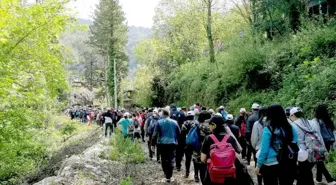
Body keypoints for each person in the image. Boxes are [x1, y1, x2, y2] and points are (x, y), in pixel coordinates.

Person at [255, 104, 298, 185]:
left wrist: (258, 165)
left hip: (271, 163)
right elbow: (295, 144)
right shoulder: (290, 127)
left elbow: (264, 150)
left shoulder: (268, 129)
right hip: (287, 161)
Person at [201, 115, 240, 185]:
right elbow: (237, 156)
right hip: (229, 176)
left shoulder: (208, 138)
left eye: (210, 125)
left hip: (213, 176)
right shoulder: (230, 138)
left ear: (214, 125)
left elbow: (203, 159)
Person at [290, 107, 325, 185]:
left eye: (290, 116)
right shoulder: (312, 122)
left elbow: (292, 142)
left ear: (293, 115)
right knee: (306, 173)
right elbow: (319, 136)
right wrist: (323, 150)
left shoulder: (292, 126)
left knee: (303, 174)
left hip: (302, 154)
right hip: (314, 151)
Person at [151, 109, 181, 183]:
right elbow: (179, 133)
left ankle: (166, 174)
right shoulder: (175, 122)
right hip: (172, 143)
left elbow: (154, 134)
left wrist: (152, 144)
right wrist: (176, 140)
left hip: (162, 143)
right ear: (169, 114)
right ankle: (169, 175)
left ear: (162, 114)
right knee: (171, 158)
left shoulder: (159, 122)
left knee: (163, 159)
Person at [313, 104, 336, 185]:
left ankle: (328, 180)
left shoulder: (318, 121)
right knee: (320, 160)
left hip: (322, 142)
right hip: (329, 142)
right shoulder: (328, 120)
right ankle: (320, 179)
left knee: (319, 161)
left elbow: (317, 133)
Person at [192, 111, 211, 184]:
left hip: (197, 147)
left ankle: (197, 175)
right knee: (206, 165)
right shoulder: (210, 126)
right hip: (208, 149)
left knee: (197, 162)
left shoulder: (196, 125)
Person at [251, 107, 268, 185]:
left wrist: (255, 148)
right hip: (270, 150)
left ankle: (260, 182)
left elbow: (254, 138)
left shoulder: (257, 123)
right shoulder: (271, 123)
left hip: (259, 149)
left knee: (258, 167)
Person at [181, 111, 195, 180]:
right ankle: (196, 175)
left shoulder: (184, 123)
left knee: (188, 158)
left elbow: (182, 133)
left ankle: (187, 172)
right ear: (193, 116)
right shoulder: (196, 123)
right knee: (196, 159)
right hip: (195, 143)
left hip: (187, 143)